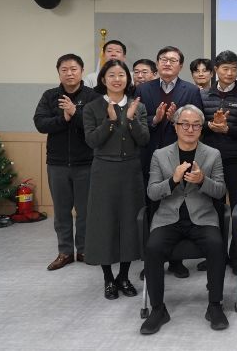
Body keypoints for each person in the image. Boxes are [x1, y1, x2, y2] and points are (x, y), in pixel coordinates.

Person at [140, 105, 229, 334]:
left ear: (201, 128)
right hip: (168, 217)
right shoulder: (160, 155)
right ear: (175, 126)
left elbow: (220, 191)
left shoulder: (212, 154)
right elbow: (152, 193)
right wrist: (173, 180)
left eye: (196, 125)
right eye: (185, 124)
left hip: (202, 217)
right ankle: (158, 309)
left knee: (217, 245)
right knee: (153, 248)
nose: (190, 129)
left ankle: (215, 305)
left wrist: (202, 180)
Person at [135, 45, 203, 278]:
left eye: (173, 60)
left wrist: (177, 120)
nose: (167, 63)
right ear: (157, 63)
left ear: (180, 66)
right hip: (150, 155)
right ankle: (151, 261)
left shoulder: (190, 90)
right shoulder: (143, 89)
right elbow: (136, 124)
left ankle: (176, 260)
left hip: (180, 156)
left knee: (178, 206)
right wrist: (155, 120)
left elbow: (197, 123)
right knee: (152, 207)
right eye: (163, 59)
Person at [82, 59, 149, 300]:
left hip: (131, 171)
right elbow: (92, 141)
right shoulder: (92, 108)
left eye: (121, 75)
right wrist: (109, 121)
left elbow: (144, 140)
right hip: (104, 171)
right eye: (112, 75)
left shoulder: (137, 106)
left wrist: (130, 119)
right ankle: (108, 278)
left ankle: (124, 276)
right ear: (103, 79)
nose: (117, 79)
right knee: (104, 223)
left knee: (130, 223)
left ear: (127, 79)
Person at [34, 53, 99, 270]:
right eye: (64, 70)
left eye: (73, 69)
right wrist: (63, 118)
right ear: (59, 73)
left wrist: (75, 113)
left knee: (85, 211)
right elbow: (40, 123)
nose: (69, 73)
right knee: (61, 212)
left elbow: (96, 126)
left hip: (86, 163)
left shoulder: (92, 97)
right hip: (57, 163)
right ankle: (65, 252)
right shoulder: (50, 96)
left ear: (82, 71)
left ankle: (84, 249)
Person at [202, 50, 237, 274]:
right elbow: (196, 124)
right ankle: (216, 254)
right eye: (225, 68)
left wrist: (228, 129)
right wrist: (209, 126)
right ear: (216, 70)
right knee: (213, 209)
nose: (230, 73)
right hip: (210, 160)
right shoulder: (204, 95)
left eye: (234, 69)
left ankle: (236, 254)